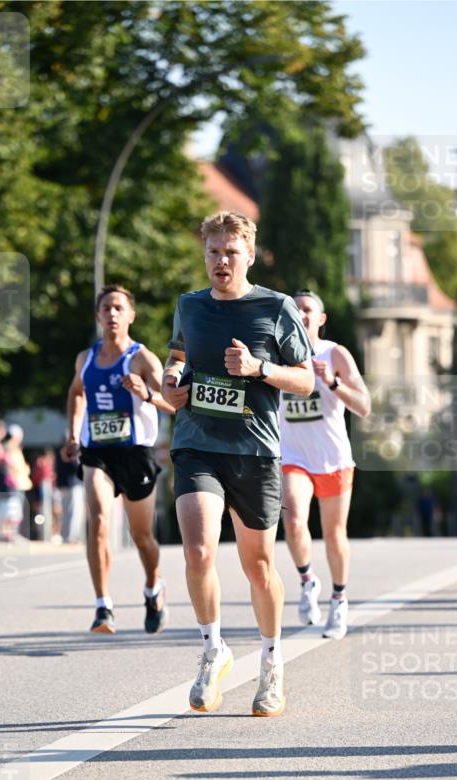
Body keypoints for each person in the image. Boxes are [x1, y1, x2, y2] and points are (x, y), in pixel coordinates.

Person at [162, 211, 314, 717]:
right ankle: (212, 651)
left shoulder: (277, 307)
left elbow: (306, 380)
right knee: (199, 549)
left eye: (230, 252)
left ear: (249, 254)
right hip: (197, 443)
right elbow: (178, 353)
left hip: (254, 451)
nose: (221, 261)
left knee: (258, 565)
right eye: (213, 252)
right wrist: (173, 378)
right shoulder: (189, 305)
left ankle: (272, 665)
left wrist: (259, 368)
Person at [61, 284, 174, 635]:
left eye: (118, 308)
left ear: (130, 316)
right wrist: (73, 434)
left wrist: (147, 393)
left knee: (142, 537)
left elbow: (175, 402)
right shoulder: (86, 358)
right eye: (106, 308)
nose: (112, 314)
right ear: (98, 316)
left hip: (136, 453)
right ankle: (103, 606)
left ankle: (153, 588)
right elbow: (77, 394)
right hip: (98, 452)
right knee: (98, 522)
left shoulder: (143, 359)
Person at [279, 290, 371, 640]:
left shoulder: (335, 354)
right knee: (293, 520)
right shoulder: (279, 355)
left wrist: (332, 382)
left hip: (333, 458)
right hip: (294, 458)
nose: (301, 315)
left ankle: (339, 600)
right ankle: (307, 580)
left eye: (307, 310)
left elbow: (364, 406)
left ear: (321, 318)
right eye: (295, 310)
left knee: (334, 535)